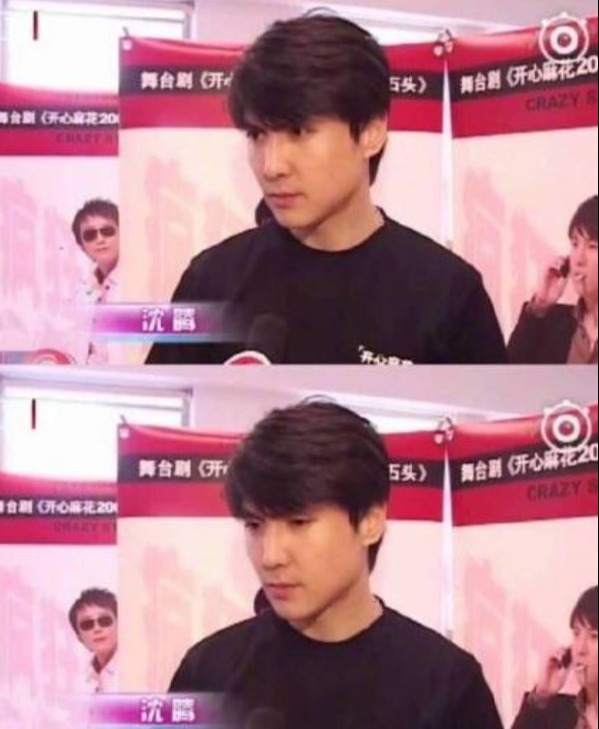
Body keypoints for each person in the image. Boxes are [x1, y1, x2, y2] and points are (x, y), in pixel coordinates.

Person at [146, 14, 507, 365]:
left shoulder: (449, 294)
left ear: (370, 132)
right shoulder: (210, 279)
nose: (272, 166)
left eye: (299, 132)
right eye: (257, 135)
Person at [170, 401, 504, 728]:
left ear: (370, 521)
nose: (271, 556)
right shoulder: (207, 671)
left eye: (299, 523)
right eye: (254, 525)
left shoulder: (449, 685)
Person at [508, 195, 598, 364]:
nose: (578, 259)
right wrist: (539, 306)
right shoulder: (555, 322)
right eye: (575, 244)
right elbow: (509, 371)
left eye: (593, 246)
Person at [512, 586, 598, 729]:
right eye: (576, 633)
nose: (580, 648)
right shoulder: (559, 713)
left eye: (594, 636)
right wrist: (541, 696)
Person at [71, 198, 120, 364]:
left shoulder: (138, 283)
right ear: (82, 246)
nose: (100, 239)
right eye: (90, 235)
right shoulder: (81, 290)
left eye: (107, 231)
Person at [68, 587, 118, 693]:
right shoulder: (79, 679)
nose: (97, 628)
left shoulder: (138, 669)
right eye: (87, 624)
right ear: (79, 637)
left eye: (104, 621)